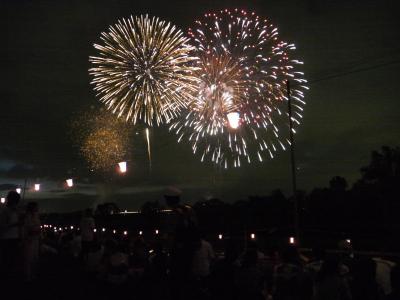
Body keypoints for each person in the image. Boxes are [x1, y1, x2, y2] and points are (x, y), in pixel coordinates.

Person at [0, 191, 22, 281]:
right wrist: (16, 224)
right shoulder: (5, 211)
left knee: (13, 260)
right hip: (6, 240)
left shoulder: (16, 211)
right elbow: (2, 226)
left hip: (14, 238)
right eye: (16, 200)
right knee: (7, 261)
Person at [22, 202, 41, 282]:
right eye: (36, 207)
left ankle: (33, 275)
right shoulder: (27, 217)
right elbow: (27, 229)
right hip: (29, 240)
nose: (37, 209)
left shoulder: (36, 216)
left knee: (34, 258)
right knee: (29, 259)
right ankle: (28, 277)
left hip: (35, 240)